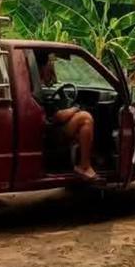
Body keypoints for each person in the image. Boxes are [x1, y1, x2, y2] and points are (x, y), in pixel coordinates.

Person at [35, 51, 97, 181]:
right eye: (50, 63)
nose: (52, 67)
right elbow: (58, 117)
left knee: (81, 132)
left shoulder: (35, 84)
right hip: (48, 132)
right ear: (43, 66)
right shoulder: (35, 85)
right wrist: (76, 109)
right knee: (85, 118)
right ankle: (84, 166)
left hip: (45, 128)